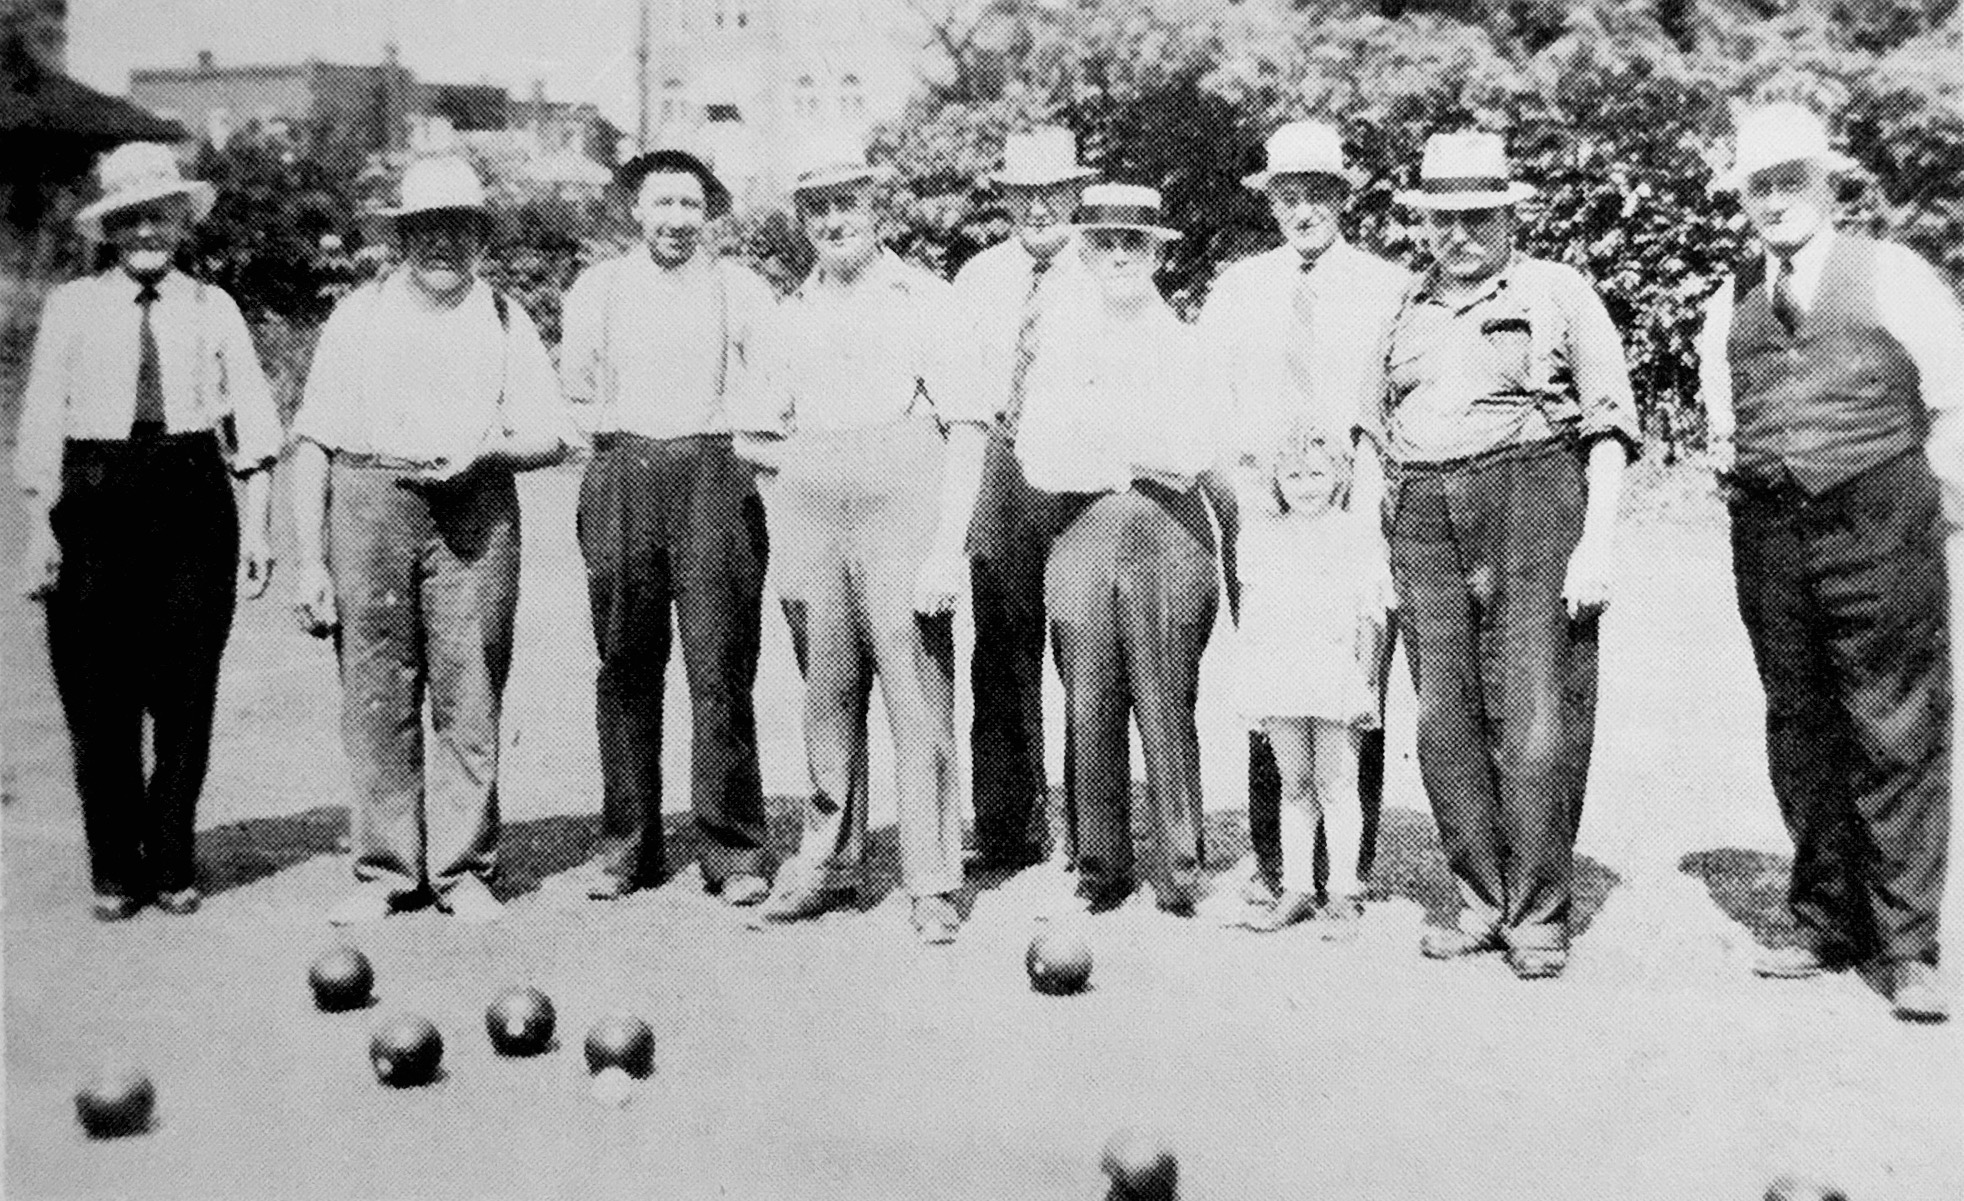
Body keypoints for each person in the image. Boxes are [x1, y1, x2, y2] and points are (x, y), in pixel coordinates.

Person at [1699, 102, 1963, 1022]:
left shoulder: (1891, 272)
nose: (1773, 201)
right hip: (1770, 531)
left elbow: (1956, 395)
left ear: (1826, 185)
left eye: (1788, 182)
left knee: (1895, 723)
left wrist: (1941, 500)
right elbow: (1723, 409)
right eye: (1757, 187)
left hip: (1881, 516)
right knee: (1799, 723)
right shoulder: (1729, 292)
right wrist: (1731, 461)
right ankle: (1825, 918)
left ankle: (1909, 947)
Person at [1352, 131, 1638, 979]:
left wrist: (1598, 542)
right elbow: (1370, 433)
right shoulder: (1403, 306)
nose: (1460, 234)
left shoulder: (1559, 292)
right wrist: (1370, 547)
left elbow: (1610, 424)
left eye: (1478, 216)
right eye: (1443, 219)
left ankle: (1539, 912)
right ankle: (1479, 900)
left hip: (1534, 498)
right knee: (1443, 718)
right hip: (1421, 514)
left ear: (1510, 215)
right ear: (1424, 224)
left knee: (1539, 712)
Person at [289, 156, 575, 925]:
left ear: (479, 236)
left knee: (470, 686)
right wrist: (310, 562)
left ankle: (461, 869)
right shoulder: (358, 316)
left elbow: (553, 433)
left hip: (474, 508)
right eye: (425, 229)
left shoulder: (504, 317)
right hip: (369, 503)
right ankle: (386, 868)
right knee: (376, 691)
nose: (441, 244)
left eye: (458, 228)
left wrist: (490, 453)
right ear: (401, 237)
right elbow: (311, 440)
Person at [733, 134, 991, 945]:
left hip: (905, 496)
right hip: (814, 507)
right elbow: (748, 433)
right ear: (802, 221)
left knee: (918, 694)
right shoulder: (787, 310)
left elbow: (970, 425)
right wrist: (803, 478)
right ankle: (828, 862)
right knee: (826, 699)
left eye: (848, 202)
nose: (833, 220)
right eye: (817, 208)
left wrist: (947, 543)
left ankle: (932, 879)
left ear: (876, 208)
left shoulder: (926, 298)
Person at [13, 142, 281, 921]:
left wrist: (258, 531)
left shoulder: (213, 307)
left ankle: (170, 860)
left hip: (193, 500)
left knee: (185, 692)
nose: (145, 235)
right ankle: (113, 868)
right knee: (99, 698)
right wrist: (41, 527)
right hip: (93, 501)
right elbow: (41, 423)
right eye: (129, 221)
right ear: (109, 230)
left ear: (179, 223)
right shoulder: (72, 307)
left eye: (158, 218)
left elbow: (255, 427)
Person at [1198, 119, 1412, 913]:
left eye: (1317, 192)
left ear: (1342, 198)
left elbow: (1394, 400)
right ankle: (1277, 860)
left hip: (1355, 509)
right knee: (1275, 671)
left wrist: (1364, 488)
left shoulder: (1388, 287)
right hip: (1264, 512)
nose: (1302, 208)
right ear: (1271, 202)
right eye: (1288, 194)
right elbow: (1208, 400)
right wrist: (1241, 487)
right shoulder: (1238, 288)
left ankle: (1348, 870)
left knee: (1356, 675)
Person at [557, 147, 777, 906]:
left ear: (709, 212)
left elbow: (773, 384)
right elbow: (576, 393)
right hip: (623, 473)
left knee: (720, 669)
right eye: (663, 203)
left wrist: (743, 442)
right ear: (636, 210)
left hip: (715, 477)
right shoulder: (599, 288)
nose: (677, 220)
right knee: (625, 664)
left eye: (691, 204)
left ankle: (734, 848)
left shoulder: (739, 289)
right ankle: (628, 844)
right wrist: (621, 446)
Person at [1016, 184, 1220, 914]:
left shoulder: (1184, 339)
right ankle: (1099, 868)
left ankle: (1180, 868)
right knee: (1089, 700)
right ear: (1086, 251)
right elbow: (1040, 456)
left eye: (1135, 243)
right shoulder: (1063, 340)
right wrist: (1128, 455)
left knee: (1167, 699)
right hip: (1081, 530)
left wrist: (1110, 445)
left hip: (1171, 532)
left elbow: (1192, 451)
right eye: (1104, 243)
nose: (1120, 256)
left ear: (1158, 253)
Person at [956, 125, 1097, 873]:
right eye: (1024, 196)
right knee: (1002, 649)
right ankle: (1006, 821)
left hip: (1076, 470)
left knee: (1083, 647)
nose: (1040, 208)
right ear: (1007, 201)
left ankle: (1086, 825)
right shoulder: (978, 276)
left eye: (1054, 194)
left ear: (1076, 195)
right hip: (999, 467)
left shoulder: (1108, 265)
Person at [1223, 424, 1388, 935]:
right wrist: (1251, 683)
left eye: (1317, 473)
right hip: (1280, 677)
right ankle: (1295, 887)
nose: (1306, 485)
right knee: (1294, 784)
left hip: (1334, 676)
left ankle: (1343, 893)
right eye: (1293, 475)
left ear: (1339, 474)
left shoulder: (1356, 533)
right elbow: (1251, 616)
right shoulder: (1262, 536)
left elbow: (1372, 615)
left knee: (1337, 784)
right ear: (1277, 479)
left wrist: (1363, 680)